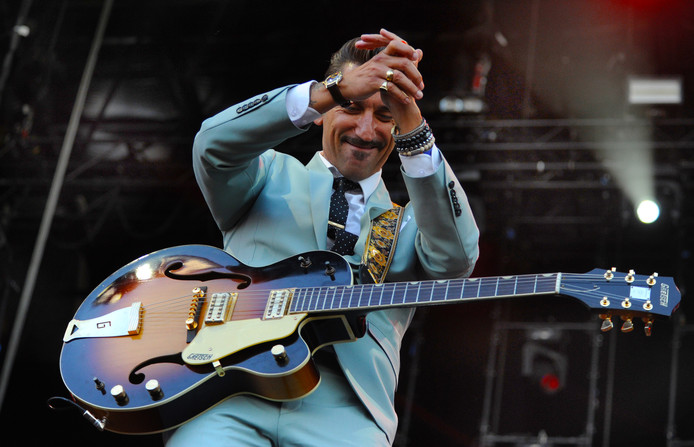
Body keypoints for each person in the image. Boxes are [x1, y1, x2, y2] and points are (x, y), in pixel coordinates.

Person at [165, 29, 480, 447]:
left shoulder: (408, 226)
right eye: (352, 106)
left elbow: (456, 260)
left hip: (348, 411)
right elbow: (212, 146)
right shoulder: (267, 175)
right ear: (324, 111)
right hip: (229, 389)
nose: (366, 130)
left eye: (384, 115)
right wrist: (331, 90)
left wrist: (412, 124)